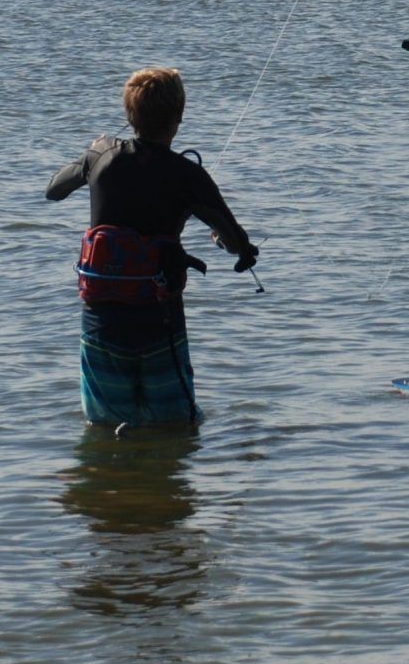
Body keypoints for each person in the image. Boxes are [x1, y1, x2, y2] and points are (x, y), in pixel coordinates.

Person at [46, 67, 256, 428]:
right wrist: (237, 249)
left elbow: (53, 190)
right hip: (159, 326)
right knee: (175, 430)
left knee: (107, 429)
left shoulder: (100, 155)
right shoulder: (189, 177)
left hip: (102, 323)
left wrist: (90, 155)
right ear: (178, 117)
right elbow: (238, 244)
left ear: (129, 115)